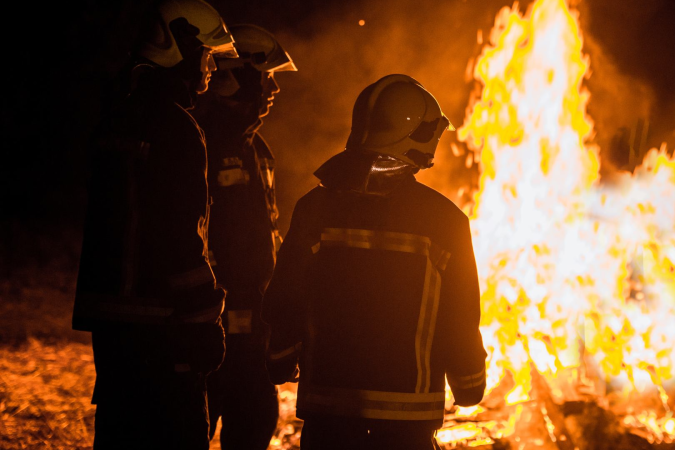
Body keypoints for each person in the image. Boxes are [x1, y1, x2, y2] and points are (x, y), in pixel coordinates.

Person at [263, 74, 488, 450]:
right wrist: (469, 384)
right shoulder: (445, 221)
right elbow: (461, 318)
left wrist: (279, 359)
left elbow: (285, 296)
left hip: (327, 413)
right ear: (415, 135)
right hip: (407, 422)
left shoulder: (315, 208)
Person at [71, 1, 237, 448]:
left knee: (122, 431)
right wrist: (205, 319)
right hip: (163, 328)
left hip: (112, 329)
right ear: (179, 46)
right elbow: (181, 237)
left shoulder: (118, 114)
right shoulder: (176, 128)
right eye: (208, 55)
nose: (211, 68)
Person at [191, 24, 297, 450]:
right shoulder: (199, 141)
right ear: (233, 76)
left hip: (252, 318)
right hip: (211, 317)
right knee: (199, 418)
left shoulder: (256, 148)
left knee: (255, 417)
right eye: (264, 77)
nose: (272, 89)